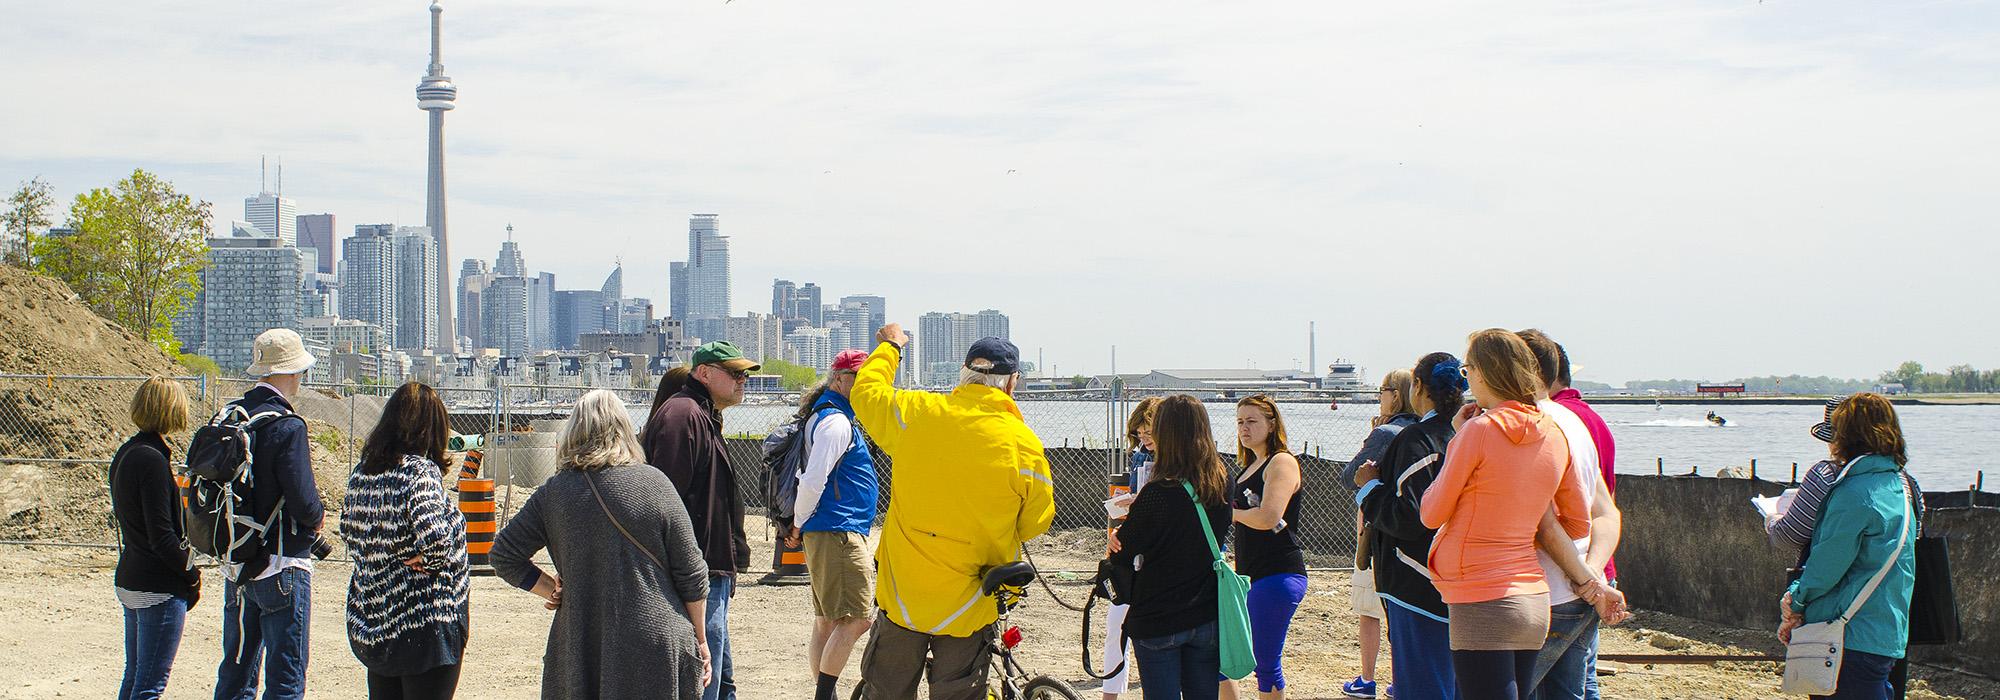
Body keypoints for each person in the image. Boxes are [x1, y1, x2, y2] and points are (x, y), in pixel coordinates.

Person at [848, 325, 1055, 700]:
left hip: (904, 594)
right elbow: (1036, 520)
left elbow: (866, 393)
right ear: (1011, 384)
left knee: (887, 690)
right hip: (971, 599)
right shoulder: (1023, 444)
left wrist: (891, 347)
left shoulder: (917, 414)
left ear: (963, 374)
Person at [491, 390, 712, 699]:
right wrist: (700, 639)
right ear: (624, 430)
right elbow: (691, 573)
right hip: (655, 639)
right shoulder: (656, 483)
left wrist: (550, 589)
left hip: (582, 639)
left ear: (572, 432)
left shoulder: (554, 492)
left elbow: (503, 555)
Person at [1420, 329, 1591, 700]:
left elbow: (1431, 512)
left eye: (1468, 370)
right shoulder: (1554, 432)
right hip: (1532, 595)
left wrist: (1457, 440)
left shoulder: (1477, 431)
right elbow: (1578, 523)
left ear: (1482, 372)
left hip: (1480, 592)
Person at [1768, 397, 1927, 700]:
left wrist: (1795, 602)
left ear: (1845, 435)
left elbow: (1827, 564)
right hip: (1886, 631)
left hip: (1847, 633)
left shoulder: (1854, 492)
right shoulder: (1901, 485)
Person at [1515, 330, 1628, 700]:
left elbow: (1543, 522)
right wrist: (1593, 572)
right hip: (1581, 587)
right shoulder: (1577, 422)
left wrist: (1588, 579)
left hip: (1537, 593)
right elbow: (1606, 512)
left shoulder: (1524, 426)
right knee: (1574, 689)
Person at [642, 341, 759, 700]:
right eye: (735, 373)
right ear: (704, 373)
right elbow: (666, 500)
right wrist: (684, 567)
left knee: (720, 684)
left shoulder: (699, 414)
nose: (743, 381)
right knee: (701, 680)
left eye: (744, 375)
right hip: (697, 571)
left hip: (710, 567)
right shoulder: (684, 416)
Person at [215, 328, 326, 700]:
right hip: (282, 562)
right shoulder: (286, 425)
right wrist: (318, 517)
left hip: (239, 558)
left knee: (237, 672)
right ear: (291, 372)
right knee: (286, 678)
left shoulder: (232, 416)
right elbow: (303, 500)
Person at [340, 382, 470, 699]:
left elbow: (347, 529)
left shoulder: (363, 472)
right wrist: (433, 559)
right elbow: (436, 538)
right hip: (424, 623)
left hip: (375, 618)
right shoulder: (419, 471)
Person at [1106, 395, 1232, 700]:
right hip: (1205, 612)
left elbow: (1123, 551)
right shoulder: (1221, 481)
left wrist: (1118, 537)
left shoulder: (1158, 492)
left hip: (1159, 615)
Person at [1355, 353, 1464, 700]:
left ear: (1418, 387)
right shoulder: (1465, 435)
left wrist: (1369, 486)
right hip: (1462, 579)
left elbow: (1409, 516)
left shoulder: (1418, 439)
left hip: (1415, 580)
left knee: (1422, 684)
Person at [786, 349, 881, 700]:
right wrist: (798, 522)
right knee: (857, 618)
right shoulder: (836, 422)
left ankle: (825, 694)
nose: (867, 386)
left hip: (829, 528)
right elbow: (813, 480)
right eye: (861, 378)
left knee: (827, 619)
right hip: (838, 530)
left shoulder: (827, 414)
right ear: (840, 379)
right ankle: (824, 696)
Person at [111, 376, 200, 700]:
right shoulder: (151, 459)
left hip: (132, 576)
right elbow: (162, 535)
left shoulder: (128, 452)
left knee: (135, 677)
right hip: (157, 585)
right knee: (149, 686)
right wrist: (191, 575)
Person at [1343, 370, 1418, 699]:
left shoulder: (1386, 432)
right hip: (1418, 538)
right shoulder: (1426, 429)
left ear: (1396, 395)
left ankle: (1367, 678)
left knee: (1370, 612)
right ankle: (1402, 679)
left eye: (1383, 389)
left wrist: (1370, 440)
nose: (1379, 395)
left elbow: (1349, 477)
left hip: (1379, 533)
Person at [1230, 395, 1308, 699]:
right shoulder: (1250, 465)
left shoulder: (1282, 461)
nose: (1244, 428)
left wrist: (1230, 513)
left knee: (1265, 663)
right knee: (1227, 656)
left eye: (1252, 421)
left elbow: (1268, 517)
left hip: (1278, 574)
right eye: (1239, 422)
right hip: (1250, 575)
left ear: (1271, 423)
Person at [1101, 396, 1162, 700]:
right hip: (1130, 547)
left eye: (1148, 432)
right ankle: (1111, 692)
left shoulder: (1179, 464)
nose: (1143, 439)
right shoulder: (1140, 455)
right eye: (1139, 434)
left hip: (1155, 557)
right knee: (1117, 625)